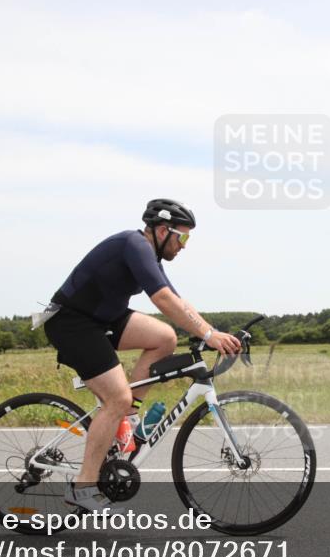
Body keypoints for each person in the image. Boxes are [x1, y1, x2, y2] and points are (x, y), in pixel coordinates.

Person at [42, 199, 242, 513]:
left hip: (103, 319)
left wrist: (212, 330)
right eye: (183, 237)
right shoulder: (133, 244)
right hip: (73, 323)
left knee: (164, 337)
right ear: (163, 230)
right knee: (116, 398)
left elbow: (176, 299)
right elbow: (162, 298)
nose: (184, 246)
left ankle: (127, 419)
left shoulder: (150, 254)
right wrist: (208, 335)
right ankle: (82, 487)